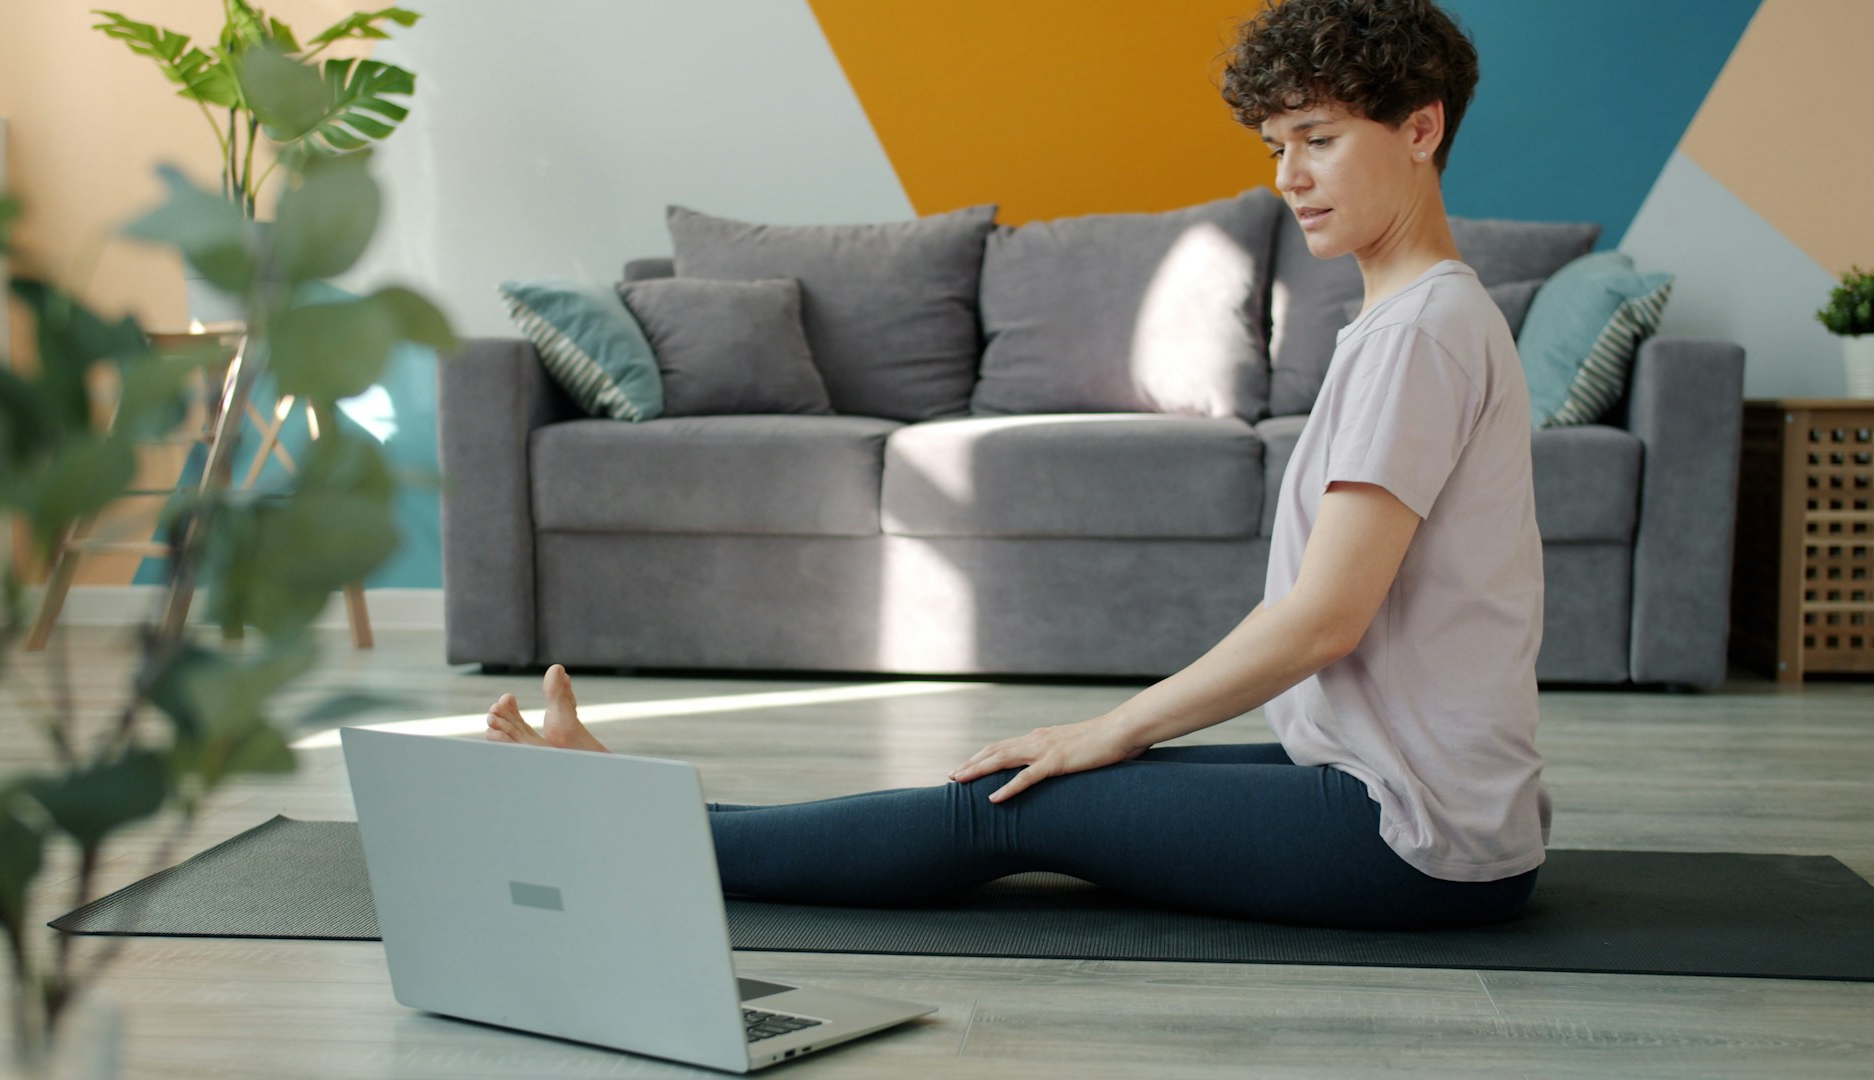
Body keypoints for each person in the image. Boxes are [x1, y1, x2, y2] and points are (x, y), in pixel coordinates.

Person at [484, 0, 1550, 931]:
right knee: (1024, 780)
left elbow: (1326, 619)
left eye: (1317, 139)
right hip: (1402, 797)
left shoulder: (1420, 332)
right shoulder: (1415, 318)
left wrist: (1106, 726)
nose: (1287, 178)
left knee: (1007, 805)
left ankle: (643, 835)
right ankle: (655, 819)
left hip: (1409, 834)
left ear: (1422, 128)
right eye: (1276, 144)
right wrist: (1109, 739)